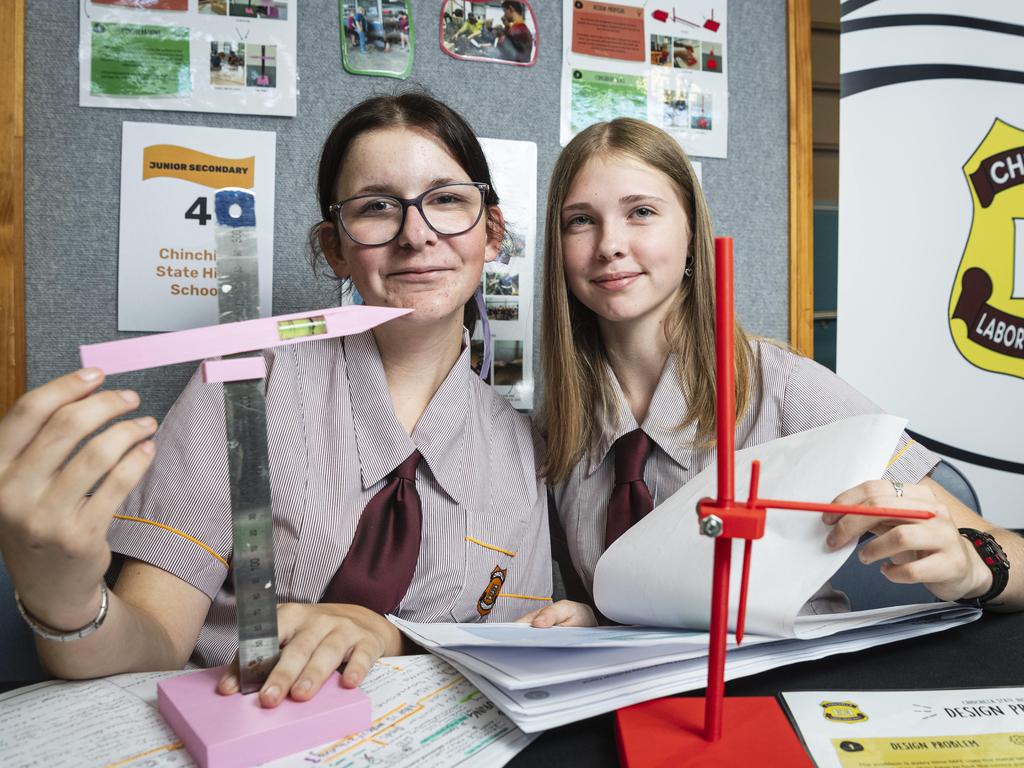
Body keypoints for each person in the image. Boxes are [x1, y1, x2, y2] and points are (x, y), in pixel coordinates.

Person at [0, 93, 552, 707]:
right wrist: (68, 601)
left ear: (492, 232)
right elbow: (151, 643)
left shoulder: (523, 449)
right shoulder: (245, 383)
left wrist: (392, 639)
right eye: (376, 207)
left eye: (447, 199)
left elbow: (512, 652)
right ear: (335, 247)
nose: (416, 235)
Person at [519, 117, 1022, 628]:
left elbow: (1010, 560)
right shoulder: (555, 427)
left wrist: (974, 571)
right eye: (580, 220)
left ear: (692, 232)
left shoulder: (787, 390)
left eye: (641, 212)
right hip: (637, 697)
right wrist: (588, 617)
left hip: (792, 686)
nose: (609, 244)